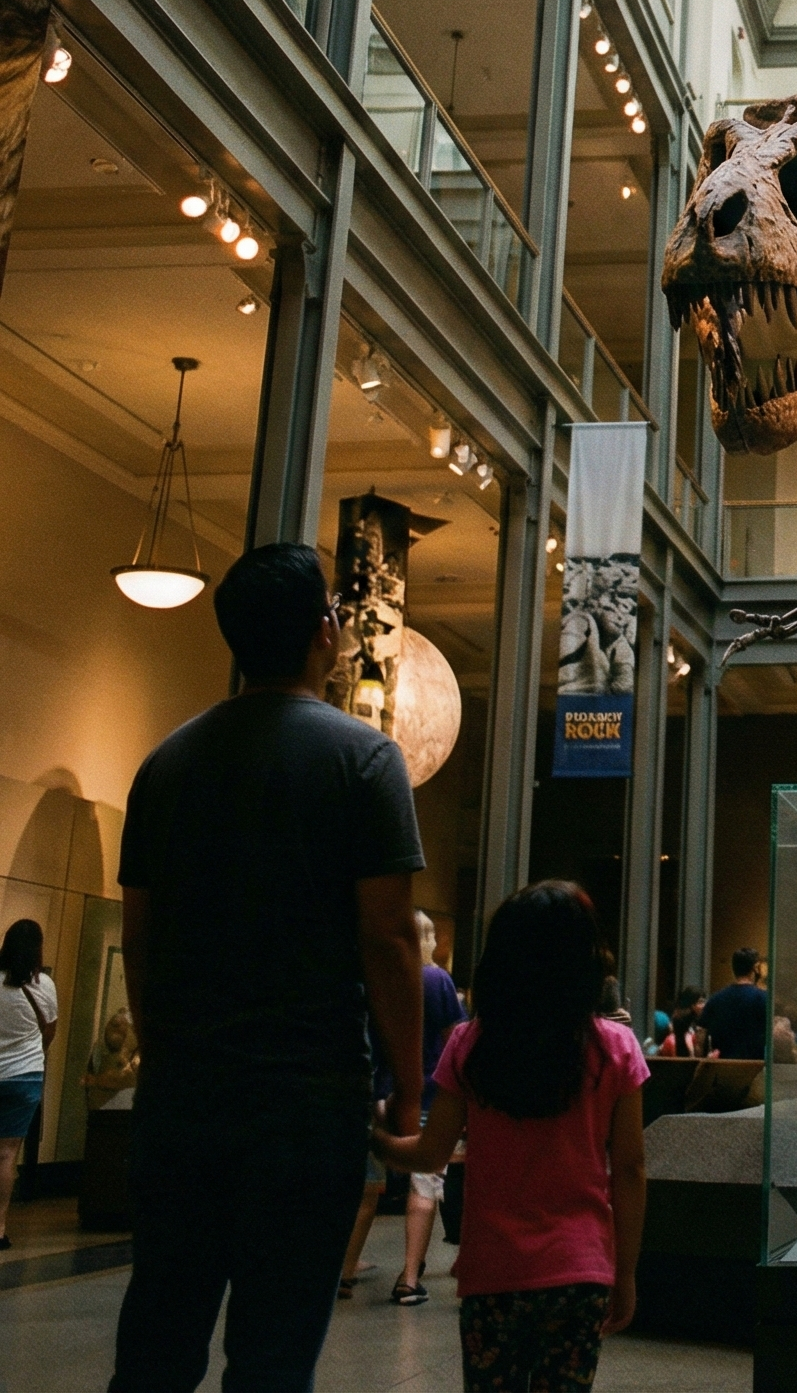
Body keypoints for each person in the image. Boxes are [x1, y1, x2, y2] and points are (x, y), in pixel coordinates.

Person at [109, 543, 425, 1393]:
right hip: (305, 1099)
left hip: (184, 1101)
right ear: (325, 632)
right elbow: (389, 939)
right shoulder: (365, 761)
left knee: (157, 1338)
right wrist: (407, 1081)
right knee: (275, 1352)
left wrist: (168, 1051)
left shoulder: (163, 767)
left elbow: (140, 936)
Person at [377, 881, 647, 1391]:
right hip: (579, 1270)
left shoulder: (471, 1043)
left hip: (494, 1271)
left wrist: (378, 1142)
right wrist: (626, 1271)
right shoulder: (616, 1047)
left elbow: (432, 1152)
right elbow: (630, 1169)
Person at [392, 911, 466, 1307]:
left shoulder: (390, 979)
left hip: (395, 1092)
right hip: (432, 1095)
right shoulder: (435, 979)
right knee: (425, 1184)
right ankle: (407, 1278)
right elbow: (456, 1040)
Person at [0, 920, 57, 1247]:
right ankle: (0, 1227)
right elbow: (50, 1030)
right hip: (25, 1077)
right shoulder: (43, 985)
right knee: (6, 1155)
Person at [701, 949, 768, 1060]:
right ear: (755, 968)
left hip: (723, 1066)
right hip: (755, 1068)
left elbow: (701, 1034)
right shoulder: (764, 998)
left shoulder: (716, 999)